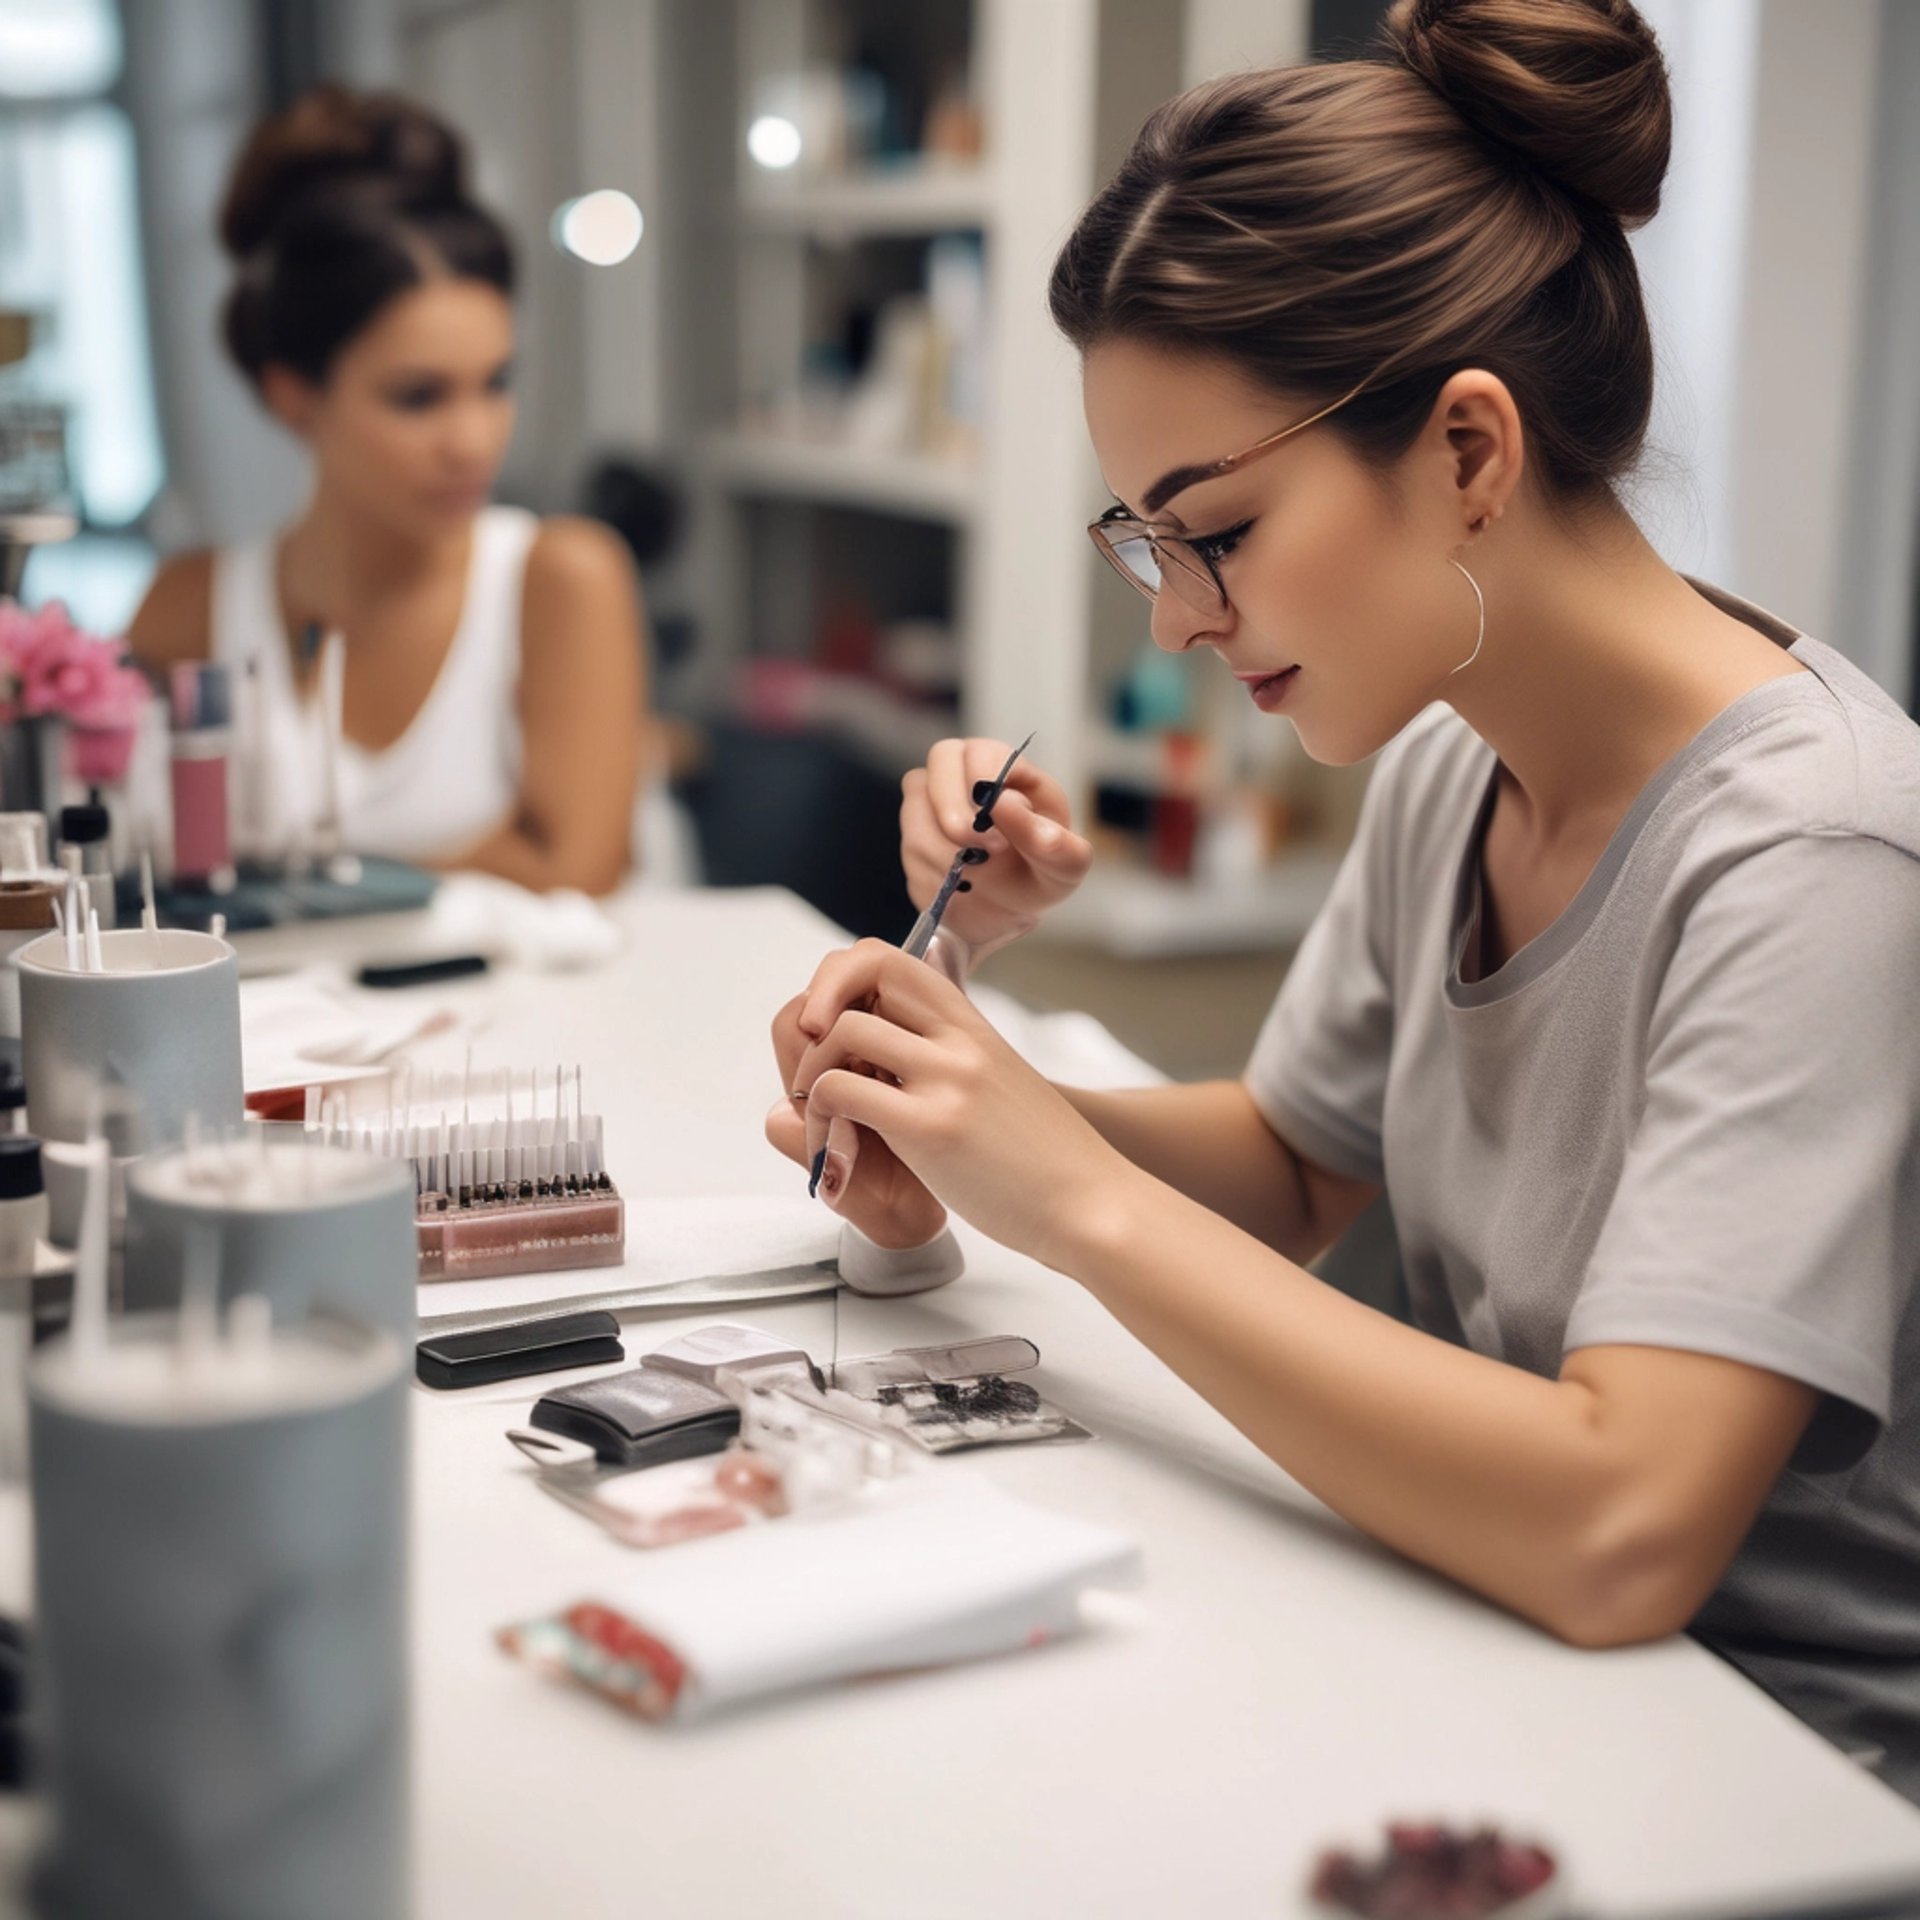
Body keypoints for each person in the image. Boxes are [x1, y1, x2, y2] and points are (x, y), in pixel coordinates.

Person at [769, 0, 1920, 1801]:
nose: (1174, 618)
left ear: (1468, 452)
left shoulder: (1821, 857)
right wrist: (975, 1114)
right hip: (1493, 1671)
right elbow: (1302, 1168)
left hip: (1779, 1785)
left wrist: (1064, 1197)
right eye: (1146, 540)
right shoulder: (1459, 756)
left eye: (1213, 529)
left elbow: (1627, 1525)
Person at [130, 85, 643, 893]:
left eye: (494, 383)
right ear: (291, 394)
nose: (474, 440)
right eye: (418, 396)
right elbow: (141, 869)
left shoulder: (561, 578)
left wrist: (279, 883)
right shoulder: (186, 607)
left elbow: (578, 869)